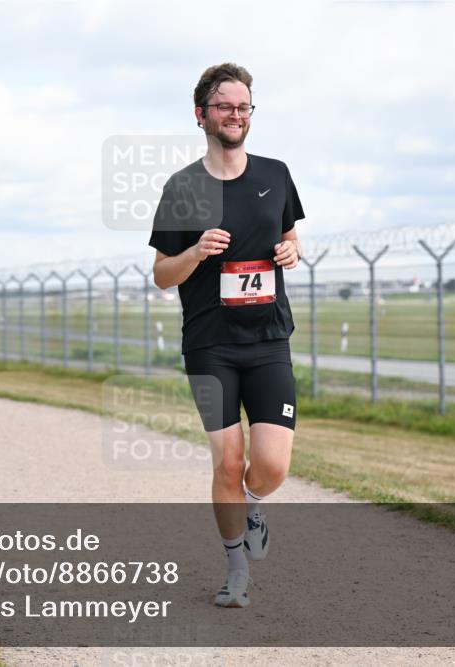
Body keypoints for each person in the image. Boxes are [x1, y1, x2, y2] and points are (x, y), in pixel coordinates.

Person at [149, 63, 304, 608]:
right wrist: (194, 252)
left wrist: (292, 251)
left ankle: (254, 505)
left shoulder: (276, 173)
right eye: (225, 107)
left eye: (244, 107)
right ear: (201, 116)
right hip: (210, 344)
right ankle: (235, 567)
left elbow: (289, 239)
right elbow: (162, 274)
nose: (236, 115)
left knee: (270, 466)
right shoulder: (183, 188)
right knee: (226, 462)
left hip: (268, 339)